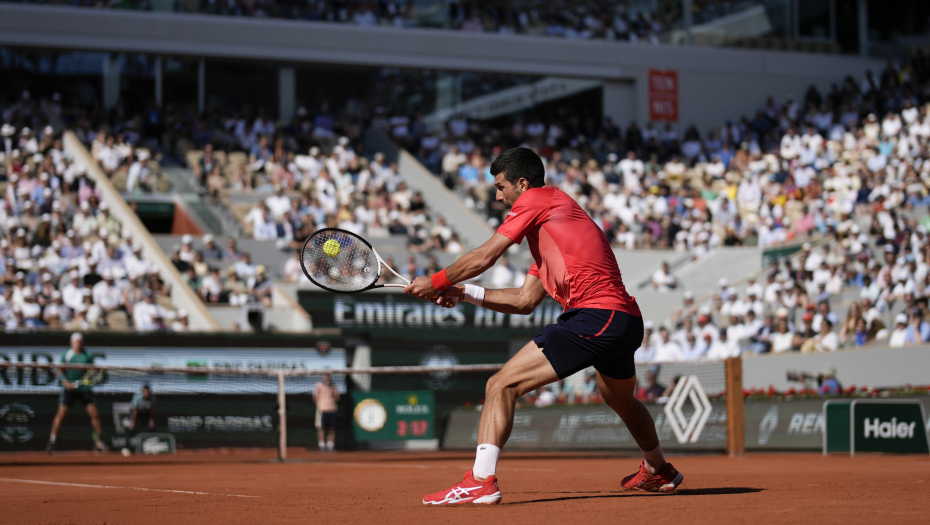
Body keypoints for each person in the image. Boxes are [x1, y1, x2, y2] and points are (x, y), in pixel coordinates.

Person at [404, 147, 682, 505]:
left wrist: (438, 280)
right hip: (624, 320)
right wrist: (462, 293)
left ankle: (480, 480)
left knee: (500, 384)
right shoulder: (553, 230)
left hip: (596, 315)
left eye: (501, 186)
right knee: (620, 399)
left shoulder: (538, 199)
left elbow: (487, 255)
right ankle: (658, 469)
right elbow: (524, 300)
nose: (498, 194)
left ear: (522, 184)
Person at [45, 333, 108, 453]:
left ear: (82, 343)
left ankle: (100, 441)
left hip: (84, 389)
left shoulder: (88, 355)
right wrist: (66, 382)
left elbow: (91, 371)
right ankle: (52, 441)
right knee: (61, 414)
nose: (78, 344)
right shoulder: (67, 355)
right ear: (71, 343)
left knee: (94, 414)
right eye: (75, 342)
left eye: (80, 341)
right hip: (69, 390)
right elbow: (60, 371)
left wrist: (86, 378)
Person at [122, 384, 156, 454]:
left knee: (151, 427)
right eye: (145, 391)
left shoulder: (152, 398)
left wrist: (151, 420)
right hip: (135, 412)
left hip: (145, 413)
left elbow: (151, 410)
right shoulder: (137, 397)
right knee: (131, 428)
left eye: (147, 392)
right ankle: (126, 447)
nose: (146, 393)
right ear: (142, 391)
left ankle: (150, 446)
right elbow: (134, 410)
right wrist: (133, 421)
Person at [313, 372, 339, 451]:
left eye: (328, 376)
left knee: (332, 428)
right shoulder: (318, 385)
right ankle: (321, 445)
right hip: (321, 409)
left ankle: (330, 445)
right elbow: (315, 397)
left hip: (331, 409)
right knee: (321, 428)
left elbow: (337, 397)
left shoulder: (333, 386)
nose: (326, 377)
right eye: (325, 376)